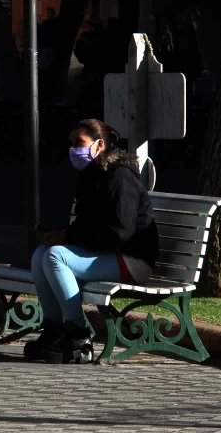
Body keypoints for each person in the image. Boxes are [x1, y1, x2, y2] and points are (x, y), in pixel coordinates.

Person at [24, 119, 159, 364]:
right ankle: (53, 329)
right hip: (106, 252)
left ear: (99, 145)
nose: (73, 149)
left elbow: (121, 232)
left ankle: (78, 337)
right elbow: (87, 224)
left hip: (131, 259)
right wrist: (62, 233)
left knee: (55, 256)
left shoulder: (120, 177)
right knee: (41, 253)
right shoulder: (90, 176)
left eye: (79, 143)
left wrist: (70, 237)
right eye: (71, 143)